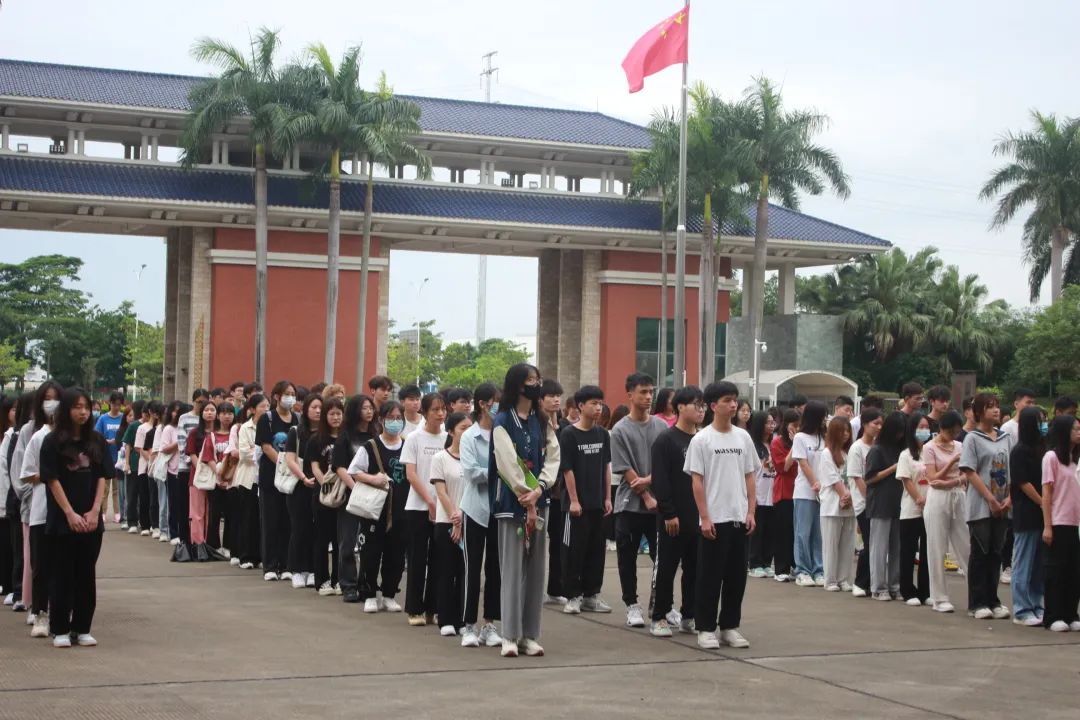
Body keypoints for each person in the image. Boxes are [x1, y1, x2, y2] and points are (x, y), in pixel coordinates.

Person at [490, 363, 559, 657]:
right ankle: (509, 634)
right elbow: (505, 461)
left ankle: (529, 634)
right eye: (531, 380)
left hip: (539, 502)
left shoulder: (541, 420)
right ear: (519, 385)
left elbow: (553, 456)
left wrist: (540, 489)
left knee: (535, 571)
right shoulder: (502, 420)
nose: (537, 384)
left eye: (538, 379)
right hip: (511, 504)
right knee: (512, 569)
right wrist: (525, 493)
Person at [685, 381, 759, 650]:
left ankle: (729, 626)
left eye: (735, 400)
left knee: (736, 576)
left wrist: (751, 510)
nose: (734, 404)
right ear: (713, 406)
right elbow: (697, 481)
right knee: (709, 576)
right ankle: (705, 628)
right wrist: (704, 517)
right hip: (714, 519)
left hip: (739, 517)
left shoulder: (743, 437)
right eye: (728, 400)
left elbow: (750, 475)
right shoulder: (701, 439)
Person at [41, 387, 112, 648]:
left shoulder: (97, 441)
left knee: (86, 574)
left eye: (87, 407)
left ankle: (82, 627)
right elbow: (51, 479)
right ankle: (59, 628)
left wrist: (95, 512)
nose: (83, 412)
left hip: (91, 521)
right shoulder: (53, 442)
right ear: (66, 410)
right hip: (63, 520)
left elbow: (103, 477)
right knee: (62, 574)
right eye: (77, 407)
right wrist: (69, 513)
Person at [610, 372, 667, 628]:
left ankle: (663, 604)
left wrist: (651, 481)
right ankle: (632, 605)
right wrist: (644, 493)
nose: (648, 397)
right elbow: (625, 469)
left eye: (650, 392)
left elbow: (668, 465)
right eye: (643, 392)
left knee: (663, 558)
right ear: (630, 394)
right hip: (629, 506)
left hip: (659, 505)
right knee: (627, 557)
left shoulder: (661, 427)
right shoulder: (620, 430)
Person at [650, 386, 704, 636]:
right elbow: (661, 480)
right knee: (667, 568)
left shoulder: (703, 439)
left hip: (699, 516)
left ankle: (689, 615)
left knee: (694, 568)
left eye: (703, 405)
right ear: (680, 407)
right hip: (672, 517)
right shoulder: (666, 440)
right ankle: (659, 616)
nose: (701, 410)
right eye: (696, 405)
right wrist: (669, 512)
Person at [347, 400, 409, 613]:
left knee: (396, 554)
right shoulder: (371, 446)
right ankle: (369, 593)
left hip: (401, 510)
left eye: (398, 418)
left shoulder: (408, 446)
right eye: (390, 418)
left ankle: (390, 593)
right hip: (375, 511)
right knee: (370, 553)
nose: (395, 422)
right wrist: (374, 479)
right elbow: (353, 471)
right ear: (381, 420)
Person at [559, 385, 613, 619]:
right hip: (576, 506)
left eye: (600, 403)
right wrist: (573, 500)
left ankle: (592, 594)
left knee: (596, 550)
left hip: (598, 503)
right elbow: (567, 469)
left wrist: (608, 497)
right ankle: (573, 596)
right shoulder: (569, 434)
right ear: (580, 406)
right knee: (574, 551)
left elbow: (606, 466)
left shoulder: (602, 434)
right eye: (593, 403)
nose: (598, 407)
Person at [959, 392, 1013, 620]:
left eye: (997, 406)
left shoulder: (1006, 437)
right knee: (980, 552)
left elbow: (1013, 470)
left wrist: (1009, 499)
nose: (996, 410)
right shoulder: (972, 438)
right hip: (981, 505)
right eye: (990, 407)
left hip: (1004, 503)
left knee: (996, 553)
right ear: (980, 411)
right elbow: (969, 471)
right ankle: (977, 602)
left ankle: (993, 600)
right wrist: (990, 499)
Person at [458, 383, 503, 648]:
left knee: (495, 569)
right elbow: (472, 473)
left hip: (499, 510)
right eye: (496, 402)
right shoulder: (469, 436)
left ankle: (489, 624)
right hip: (475, 509)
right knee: (471, 569)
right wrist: (498, 471)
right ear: (484, 404)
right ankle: (468, 625)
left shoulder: (503, 434)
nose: (499, 406)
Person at [19, 380, 63, 637]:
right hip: (40, 509)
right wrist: (49, 476)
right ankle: (39, 613)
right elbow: (25, 474)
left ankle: (60, 611)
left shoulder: (71, 437)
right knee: (41, 565)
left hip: (66, 512)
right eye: (47, 399)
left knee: (63, 565)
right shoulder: (37, 435)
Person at [401, 392, 447, 623]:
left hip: (443, 508)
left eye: (443, 409)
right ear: (425, 412)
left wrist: (441, 502)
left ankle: (434, 608)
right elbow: (411, 474)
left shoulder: (448, 438)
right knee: (418, 558)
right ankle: (414, 609)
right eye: (435, 410)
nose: (440, 414)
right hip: (418, 506)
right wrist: (429, 500)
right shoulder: (414, 439)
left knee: (439, 558)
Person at [428, 412, 472, 637]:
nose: (467, 433)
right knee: (446, 571)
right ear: (452, 431)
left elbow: (474, 491)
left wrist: (463, 518)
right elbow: (441, 492)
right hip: (446, 522)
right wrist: (455, 517)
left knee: (465, 573)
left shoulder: (474, 459)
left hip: (470, 522)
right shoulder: (440, 459)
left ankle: (463, 620)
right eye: (463, 428)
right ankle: (445, 619)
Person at [921, 410, 970, 612]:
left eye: (957, 432)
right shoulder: (929, 448)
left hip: (958, 495)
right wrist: (951, 463)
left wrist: (953, 481)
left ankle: (978, 594)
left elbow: (967, 474)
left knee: (966, 545)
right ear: (941, 428)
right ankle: (939, 597)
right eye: (951, 431)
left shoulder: (960, 445)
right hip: (938, 499)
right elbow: (933, 479)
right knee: (937, 547)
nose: (954, 436)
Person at [333, 394, 379, 603]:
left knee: (369, 543)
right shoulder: (346, 436)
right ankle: (348, 584)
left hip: (375, 496)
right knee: (348, 541)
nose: (369, 411)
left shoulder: (376, 434)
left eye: (371, 407)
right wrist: (356, 488)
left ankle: (366, 584)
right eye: (364, 408)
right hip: (351, 496)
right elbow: (340, 467)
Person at [1040, 413, 1080, 632]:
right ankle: (1053, 615)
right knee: (1056, 570)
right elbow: (1047, 493)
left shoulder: (1077, 459)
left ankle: (1070, 612)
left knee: (1074, 571)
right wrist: (1048, 525)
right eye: (1075, 429)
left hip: (1076, 522)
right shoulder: (1051, 458)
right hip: (1059, 520)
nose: (1079, 432)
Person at [256, 381, 299, 581]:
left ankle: (286, 564)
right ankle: (270, 566)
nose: (290, 397)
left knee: (288, 522)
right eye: (286, 394)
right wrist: (283, 465)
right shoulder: (267, 418)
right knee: (270, 522)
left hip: (291, 479)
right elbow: (266, 446)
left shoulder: (297, 419)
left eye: (293, 394)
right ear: (276, 397)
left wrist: (293, 469)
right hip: (271, 478)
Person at [1009, 406, 1046, 626]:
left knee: (1039, 563)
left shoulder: (1043, 449)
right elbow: (1022, 482)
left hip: (1043, 514)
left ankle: (1037, 603)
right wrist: (1043, 502)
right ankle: (1022, 608)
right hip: (1027, 511)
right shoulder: (1020, 451)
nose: (1044, 424)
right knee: (1023, 560)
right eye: (1040, 421)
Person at [866, 412, 907, 601]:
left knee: (896, 547)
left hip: (899, 503)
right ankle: (878, 587)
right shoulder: (877, 450)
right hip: (881, 503)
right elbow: (870, 478)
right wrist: (893, 469)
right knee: (879, 547)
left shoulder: (902, 450)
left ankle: (894, 585)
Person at [307, 396, 344, 595]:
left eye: (339, 413)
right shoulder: (316, 439)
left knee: (340, 540)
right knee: (322, 538)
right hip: (323, 496)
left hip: (343, 495)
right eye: (332, 414)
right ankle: (322, 580)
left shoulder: (345, 438)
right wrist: (327, 486)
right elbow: (314, 466)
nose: (336, 417)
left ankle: (339, 579)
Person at [284, 394, 320, 589]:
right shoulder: (296, 432)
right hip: (299, 486)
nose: (317, 411)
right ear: (306, 409)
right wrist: (304, 478)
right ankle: (297, 570)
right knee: (300, 528)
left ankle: (314, 570)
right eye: (314, 407)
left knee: (317, 531)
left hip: (321, 487)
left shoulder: (328, 433)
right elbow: (290, 459)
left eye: (320, 407)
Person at [791, 400, 828, 587]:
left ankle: (818, 569)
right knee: (803, 532)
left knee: (818, 533)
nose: (825, 420)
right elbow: (803, 463)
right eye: (822, 416)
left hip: (823, 493)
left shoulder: (823, 438)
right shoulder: (800, 438)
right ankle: (803, 570)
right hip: (805, 492)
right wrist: (816, 483)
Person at [846, 408, 882, 597]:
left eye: (880, 423)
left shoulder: (878, 447)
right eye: (875, 423)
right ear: (865, 425)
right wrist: (869, 499)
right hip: (864, 504)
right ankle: (860, 582)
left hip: (878, 505)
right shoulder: (857, 448)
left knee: (876, 543)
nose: (878, 427)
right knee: (869, 543)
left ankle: (870, 582)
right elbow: (857, 478)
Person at [897, 413, 931, 606]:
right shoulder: (905, 455)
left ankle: (925, 591)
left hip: (930, 508)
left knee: (928, 551)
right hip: (911, 509)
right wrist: (918, 498)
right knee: (908, 551)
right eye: (921, 427)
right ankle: (907, 590)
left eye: (927, 427)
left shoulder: (931, 451)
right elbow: (906, 479)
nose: (925, 430)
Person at [818, 416, 855, 592]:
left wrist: (848, 497)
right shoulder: (826, 454)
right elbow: (832, 478)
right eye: (842, 431)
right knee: (831, 544)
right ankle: (830, 579)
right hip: (832, 505)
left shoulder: (848, 454)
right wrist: (843, 495)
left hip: (849, 504)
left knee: (847, 544)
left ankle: (843, 578)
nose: (846, 434)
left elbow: (852, 477)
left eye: (848, 431)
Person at [231, 394, 267, 570]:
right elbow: (244, 453)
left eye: (268, 405)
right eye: (262, 406)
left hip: (265, 479)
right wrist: (260, 451)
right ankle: (246, 556)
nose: (266, 409)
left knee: (262, 520)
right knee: (247, 518)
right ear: (252, 409)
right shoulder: (246, 427)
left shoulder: (269, 426)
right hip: (248, 479)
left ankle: (260, 555)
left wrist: (258, 450)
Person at [185, 401, 221, 561]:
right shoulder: (195, 433)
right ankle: (198, 544)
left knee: (211, 513)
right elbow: (191, 453)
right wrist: (201, 468)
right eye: (206, 410)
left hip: (217, 475)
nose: (209, 413)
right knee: (197, 512)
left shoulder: (219, 432)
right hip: (198, 476)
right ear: (201, 413)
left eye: (212, 410)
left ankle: (209, 545)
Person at [172, 392, 205, 560]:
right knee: (184, 508)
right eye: (199, 402)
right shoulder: (185, 418)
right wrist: (194, 461)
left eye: (204, 402)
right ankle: (184, 541)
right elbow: (182, 443)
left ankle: (200, 543)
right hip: (186, 469)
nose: (201, 405)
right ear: (193, 402)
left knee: (201, 511)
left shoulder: (207, 419)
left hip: (206, 471)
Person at [769, 409, 800, 582]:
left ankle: (796, 565)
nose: (797, 428)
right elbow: (783, 467)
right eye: (794, 425)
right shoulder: (777, 443)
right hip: (784, 491)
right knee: (783, 532)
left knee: (797, 531)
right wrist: (795, 445)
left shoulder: (803, 440)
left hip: (800, 491)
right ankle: (781, 568)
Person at [748, 410, 778, 579]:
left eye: (773, 422)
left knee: (770, 531)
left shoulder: (774, 444)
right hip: (758, 493)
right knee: (757, 532)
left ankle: (767, 562)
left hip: (772, 494)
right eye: (767, 422)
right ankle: (754, 563)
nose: (771, 426)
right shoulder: (753, 445)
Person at [94, 391, 125, 522]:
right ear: (109, 404)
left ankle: (118, 512)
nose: (116, 407)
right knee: (104, 488)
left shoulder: (123, 418)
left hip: (119, 458)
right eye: (114, 404)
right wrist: (105, 441)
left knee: (117, 488)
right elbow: (96, 435)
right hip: (106, 457)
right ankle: (103, 512)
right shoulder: (103, 418)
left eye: (118, 404)